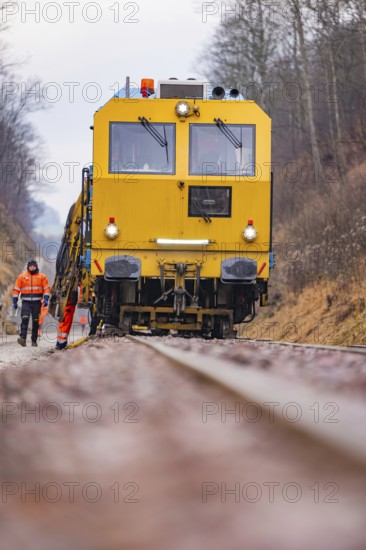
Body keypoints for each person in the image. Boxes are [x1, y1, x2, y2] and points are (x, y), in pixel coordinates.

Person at [13, 259, 50, 347]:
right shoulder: (21, 277)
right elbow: (16, 289)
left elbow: (46, 288)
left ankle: (34, 341)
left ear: (36, 266)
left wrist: (46, 299)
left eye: (33, 266)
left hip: (37, 302)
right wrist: (15, 301)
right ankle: (23, 339)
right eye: (30, 266)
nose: (32, 267)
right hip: (26, 302)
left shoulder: (42, 277)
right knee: (25, 319)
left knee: (35, 321)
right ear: (28, 267)